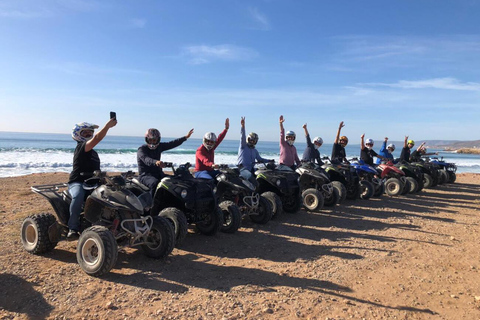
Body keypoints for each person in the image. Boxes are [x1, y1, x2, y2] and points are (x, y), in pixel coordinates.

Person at [67, 117, 117, 240]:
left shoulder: (93, 153)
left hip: (93, 183)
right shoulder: (81, 147)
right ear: (78, 134)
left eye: (90, 132)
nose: (89, 134)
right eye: (85, 132)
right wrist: (107, 126)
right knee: (78, 195)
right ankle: (72, 228)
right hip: (77, 181)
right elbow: (97, 138)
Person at [137, 127, 194, 196]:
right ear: (147, 140)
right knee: (154, 183)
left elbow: (172, 143)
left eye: (154, 140)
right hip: (145, 175)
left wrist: (185, 137)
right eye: (150, 140)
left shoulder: (159, 146)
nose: (152, 142)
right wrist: (156, 162)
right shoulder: (142, 149)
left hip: (158, 173)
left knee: (173, 180)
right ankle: (151, 204)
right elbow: (146, 159)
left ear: (158, 140)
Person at [237, 117, 273, 182]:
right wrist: (243, 126)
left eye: (254, 141)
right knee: (250, 178)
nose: (253, 142)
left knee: (262, 176)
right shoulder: (243, 146)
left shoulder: (254, 150)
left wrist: (269, 161)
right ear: (248, 139)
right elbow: (242, 136)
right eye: (251, 140)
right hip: (242, 169)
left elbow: (260, 159)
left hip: (252, 169)